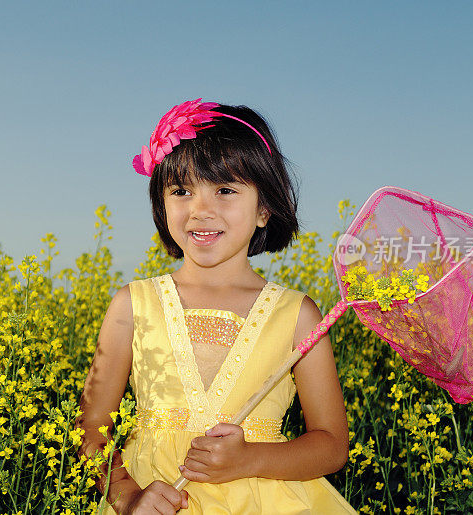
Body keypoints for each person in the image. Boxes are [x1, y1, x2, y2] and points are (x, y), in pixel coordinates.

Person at [77, 99, 356, 514]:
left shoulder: (297, 315)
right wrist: (127, 495)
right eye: (181, 191)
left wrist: (250, 459)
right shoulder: (132, 305)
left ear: (264, 209)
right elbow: (91, 429)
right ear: (161, 204)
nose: (200, 209)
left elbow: (332, 445)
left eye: (225, 190)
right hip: (152, 498)